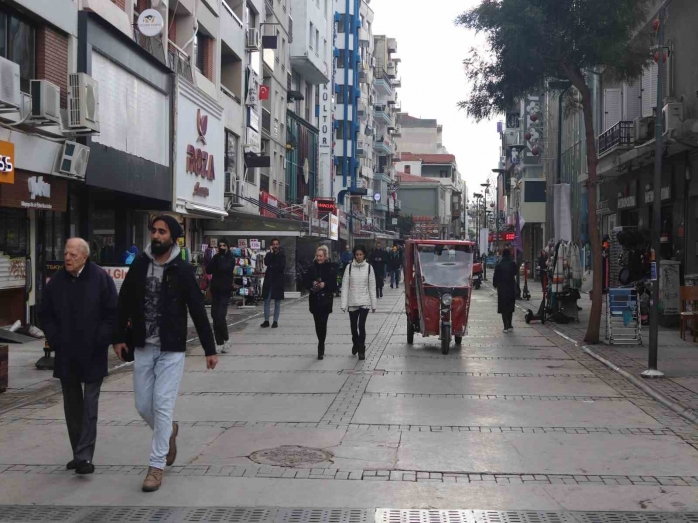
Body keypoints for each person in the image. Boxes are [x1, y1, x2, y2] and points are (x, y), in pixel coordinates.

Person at [113, 215, 217, 493]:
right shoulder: (140, 263)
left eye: (162, 232)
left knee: (161, 405)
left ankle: (156, 466)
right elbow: (124, 302)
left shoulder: (182, 269)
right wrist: (118, 337)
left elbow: (197, 308)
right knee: (142, 405)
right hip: (143, 347)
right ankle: (169, 431)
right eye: (154, 231)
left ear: (173, 237)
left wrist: (209, 348)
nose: (156, 236)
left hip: (171, 350)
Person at [40, 238, 118, 476]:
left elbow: (112, 313)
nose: (67, 258)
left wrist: (101, 338)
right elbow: (45, 314)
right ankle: (79, 452)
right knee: (72, 406)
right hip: (66, 353)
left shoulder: (100, 278)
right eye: (66, 253)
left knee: (89, 406)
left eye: (73, 254)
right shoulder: (56, 282)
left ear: (85, 257)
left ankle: (84, 455)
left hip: (93, 352)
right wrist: (55, 339)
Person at [341, 245, 377, 360]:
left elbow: (372, 287)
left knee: (361, 325)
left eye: (361, 254)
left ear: (364, 255)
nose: (359, 256)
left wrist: (373, 304)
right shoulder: (349, 268)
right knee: (353, 327)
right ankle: (355, 342)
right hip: (352, 302)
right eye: (357, 254)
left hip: (364, 302)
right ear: (354, 255)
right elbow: (345, 286)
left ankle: (362, 349)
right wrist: (343, 304)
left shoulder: (369, 268)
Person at [304, 245, 338, 360]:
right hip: (314, 299)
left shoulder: (330, 268)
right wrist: (312, 283)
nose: (319, 258)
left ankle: (321, 345)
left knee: (323, 323)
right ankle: (320, 340)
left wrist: (325, 284)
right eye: (317, 256)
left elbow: (334, 285)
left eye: (321, 256)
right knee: (317, 323)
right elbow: (305, 281)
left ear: (325, 256)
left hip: (326, 300)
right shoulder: (311, 268)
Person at [206, 237, 235, 354]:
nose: (222, 248)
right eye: (220, 246)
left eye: (224, 246)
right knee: (214, 316)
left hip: (225, 291)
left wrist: (219, 261)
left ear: (227, 247)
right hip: (215, 290)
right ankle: (219, 342)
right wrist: (216, 259)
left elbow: (225, 268)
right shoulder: (216, 257)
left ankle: (226, 339)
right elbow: (208, 270)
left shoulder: (231, 258)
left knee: (220, 316)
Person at [261, 238, 286, 328]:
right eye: (273, 244)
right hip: (268, 281)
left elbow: (281, 267)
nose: (275, 246)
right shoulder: (269, 254)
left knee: (277, 302)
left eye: (276, 244)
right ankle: (266, 320)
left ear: (279, 245)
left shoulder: (282, 255)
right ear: (271, 245)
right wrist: (271, 255)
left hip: (278, 281)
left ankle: (275, 321)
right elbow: (267, 263)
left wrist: (273, 265)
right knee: (266, 301)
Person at [493, 249, 518, 333]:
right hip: (511, 287)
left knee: (503, 308)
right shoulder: (512, 263)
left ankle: (505, 327)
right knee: (510, 307)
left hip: (502, 289)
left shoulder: (499, 265)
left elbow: (495, 277)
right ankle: (510, 324)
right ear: (509, 255)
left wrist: (495, 285)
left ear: (502, 255)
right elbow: (515, 272)